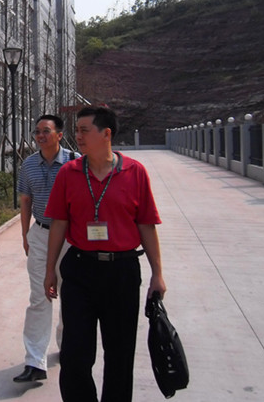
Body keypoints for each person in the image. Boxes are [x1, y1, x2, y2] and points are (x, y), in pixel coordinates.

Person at [43, 106, 166, 402]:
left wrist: (158, 274)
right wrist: (50, 270)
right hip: (80, 270)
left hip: (121, 272)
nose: (78, 136)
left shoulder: (135, 172)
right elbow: (59, 224)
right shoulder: (69, 173)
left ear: (106, 133)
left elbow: (146, 224)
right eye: (77, 130)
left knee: (120, 354)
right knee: (75, 354)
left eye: (85, 130)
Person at [13, 114, 77, 383]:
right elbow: (26, 200)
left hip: (70, 237)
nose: (40, 135)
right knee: (39, 296)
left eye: (46, 131)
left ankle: (67, 347)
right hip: (40, 234)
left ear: (59, 135)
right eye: (37, 131)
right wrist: (25, 235)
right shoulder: (28, 164)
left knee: (70, 296)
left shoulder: (75, 162)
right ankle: (35, 361)